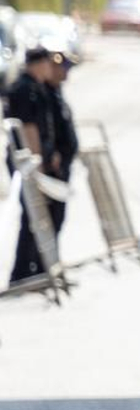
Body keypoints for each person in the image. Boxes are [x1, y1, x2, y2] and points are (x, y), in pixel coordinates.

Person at [8, 47, 77, 285]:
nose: (51, 68)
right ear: (39, 63)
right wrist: (40, 165)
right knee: (33, 218)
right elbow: (29, 130)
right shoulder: (26, 90)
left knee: (41, 218)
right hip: (31, 166)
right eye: (48, 63)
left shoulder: (39, 88)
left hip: (37, 164)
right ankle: (24, 274)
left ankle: (39, 270)